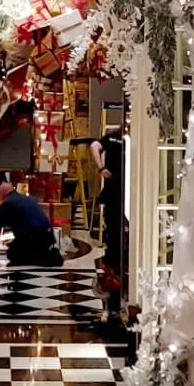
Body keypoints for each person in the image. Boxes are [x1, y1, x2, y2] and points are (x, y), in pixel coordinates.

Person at [90, 129, 125, 312]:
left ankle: (115, 269)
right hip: (114, 191)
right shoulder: (113, 137)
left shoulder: (122, 138)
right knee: (113, 229)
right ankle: (113, 270)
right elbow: (94, 145)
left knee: (117, 230)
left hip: (124, 190)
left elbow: (95, 146)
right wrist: (101, 168)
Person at [0, 174, 61, 267]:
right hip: (48, 236)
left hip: (32, 237)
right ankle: (43, 254)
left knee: (12, 254)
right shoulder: (28, 199)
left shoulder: (5, 205)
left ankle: (40, 257)